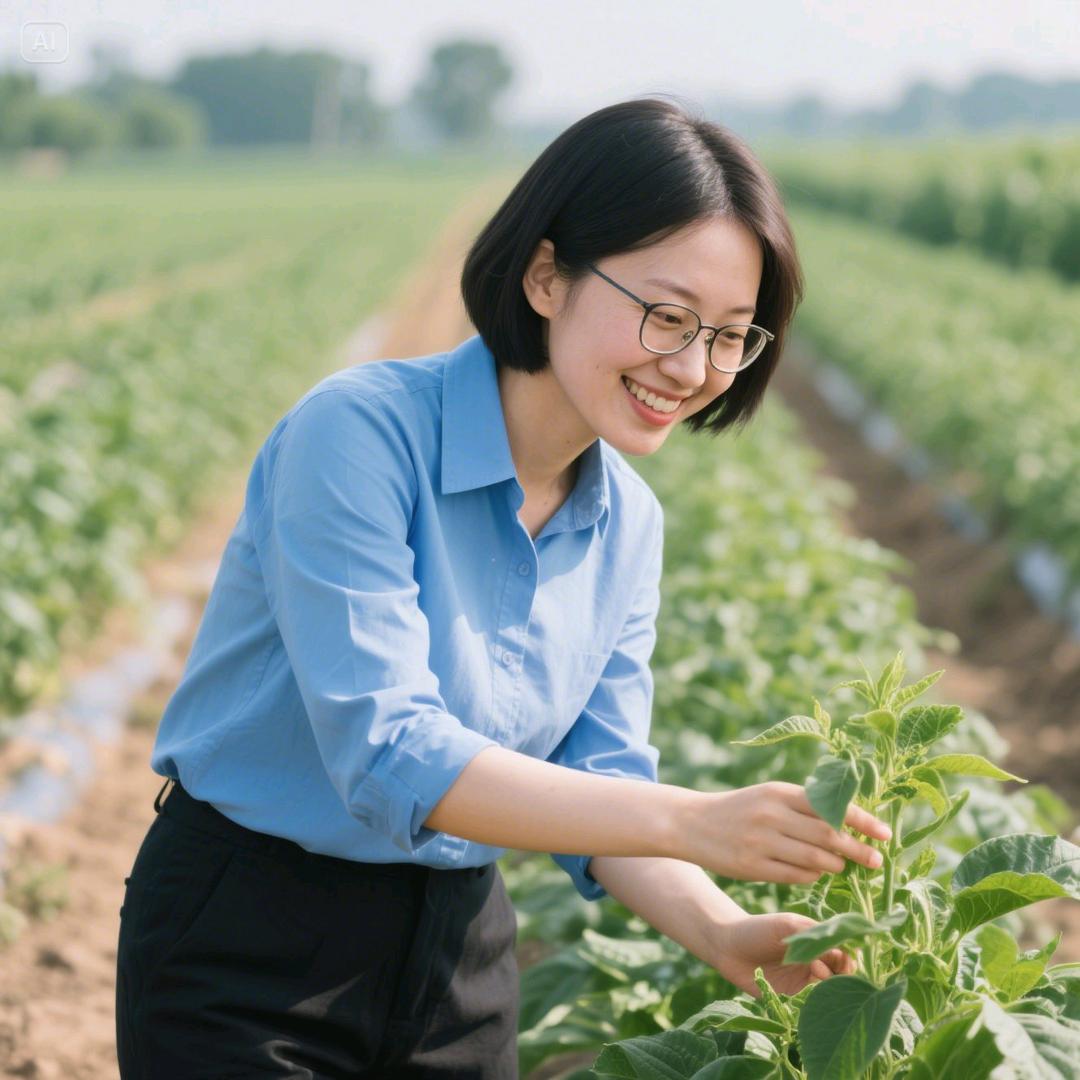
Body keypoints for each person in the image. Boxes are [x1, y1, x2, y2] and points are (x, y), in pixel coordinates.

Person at [115, 96, 892, 1079]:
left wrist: (721, 931)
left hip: (459, 951)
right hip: (249, 940)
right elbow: (389, 752)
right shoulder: (358, 437)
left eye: (731, 335)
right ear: (545, 275)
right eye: (667, 315)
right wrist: (697, 818)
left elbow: (606, 781)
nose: (693, 367)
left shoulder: (628, 523)